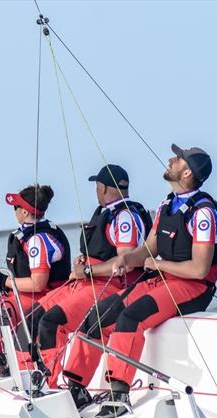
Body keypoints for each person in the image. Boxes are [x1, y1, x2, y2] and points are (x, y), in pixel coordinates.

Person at [64, 144, 217, 418]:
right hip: (162, 280)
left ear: (186, 172)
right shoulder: (166, 204)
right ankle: (76, 389)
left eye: (177, 158)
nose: (170, 159)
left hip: (192, 287)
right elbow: (147, 249)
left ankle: (119, 394)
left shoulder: (203, 214)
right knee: (97, 316)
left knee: (130, 317)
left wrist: (156, 264)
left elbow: (199, 270)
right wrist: (127, 260)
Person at [14, 164, 151, 405]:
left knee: (52, 322)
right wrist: (84, 261)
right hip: (87, 281)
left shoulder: (125, 216)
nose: (96, 190)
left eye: (98, 186)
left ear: (104, 187)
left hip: (108, 285)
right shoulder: (105, 211)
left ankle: (57, 390)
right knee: (31, 319)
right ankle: (29, 382)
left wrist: (87, 269)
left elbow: (126, 263)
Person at [0, 185, 71, 379]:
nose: (13, 212)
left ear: (23, 211)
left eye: (15, 208)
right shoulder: (25, 234)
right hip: (22, 295)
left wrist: (4, 281)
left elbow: (38, 284)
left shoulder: (39, 239)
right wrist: (0, 280)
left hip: (43, 296)